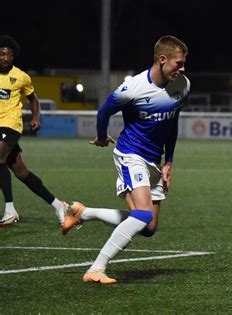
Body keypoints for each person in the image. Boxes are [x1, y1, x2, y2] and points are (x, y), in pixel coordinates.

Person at [61, 35, 190, 284]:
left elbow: (173, 124)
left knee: (148, 227)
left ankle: (83, 213)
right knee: (142, 214)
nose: (182, 69)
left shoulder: (183, 86)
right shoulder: (133, 88)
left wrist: (169, 162)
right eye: (178, 63)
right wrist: (100, 136)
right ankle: (96, 268)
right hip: (131, 155)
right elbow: (104, 111)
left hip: (154, 160)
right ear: (162, 60)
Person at [0, 35, 68, 226]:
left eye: (9, 55)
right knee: (22, 172)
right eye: (2, 54)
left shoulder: (21, 77)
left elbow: (33, 99)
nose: (6, 58)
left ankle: (10, 209)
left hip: (11, 125)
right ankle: (57, 205)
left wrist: (36, 117)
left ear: (14, 57)